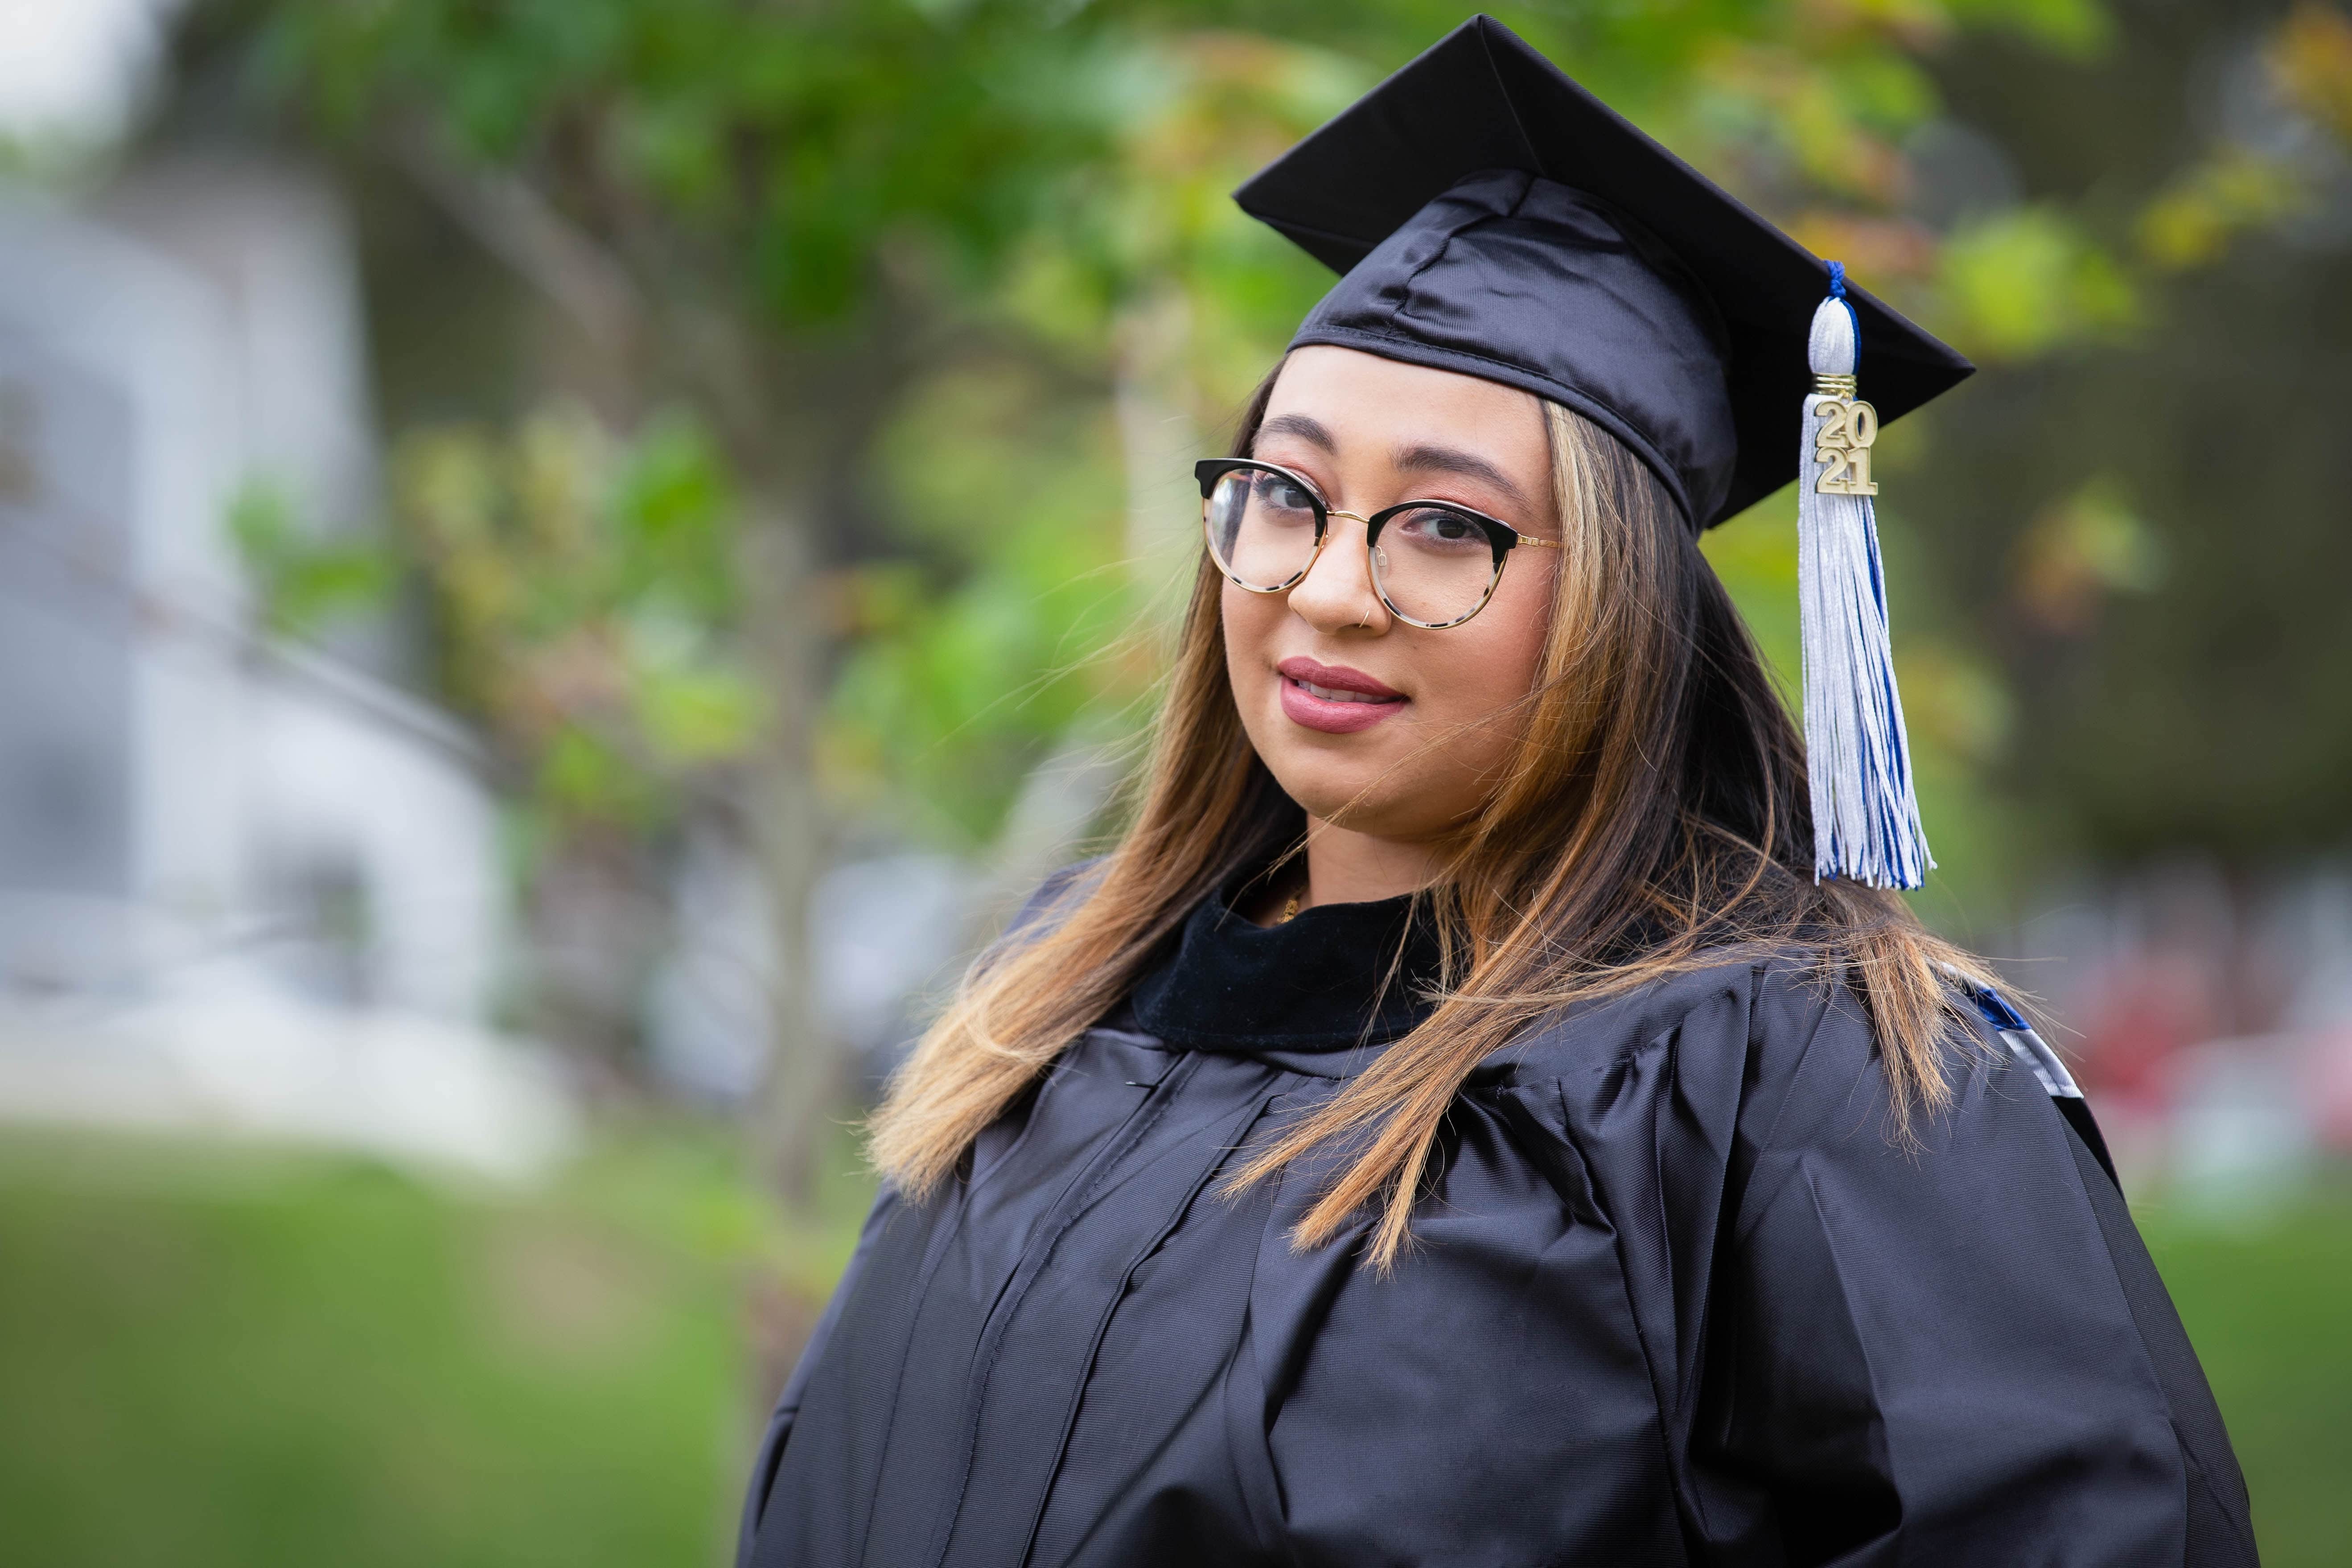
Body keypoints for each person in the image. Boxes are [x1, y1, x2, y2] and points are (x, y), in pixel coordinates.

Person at [739, 17, 2256, 1568]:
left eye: (1446, 527)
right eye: (1286, 492)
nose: (1327, 588)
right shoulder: (1057, 996)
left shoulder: (1792, 1073)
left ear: (1622, 600)